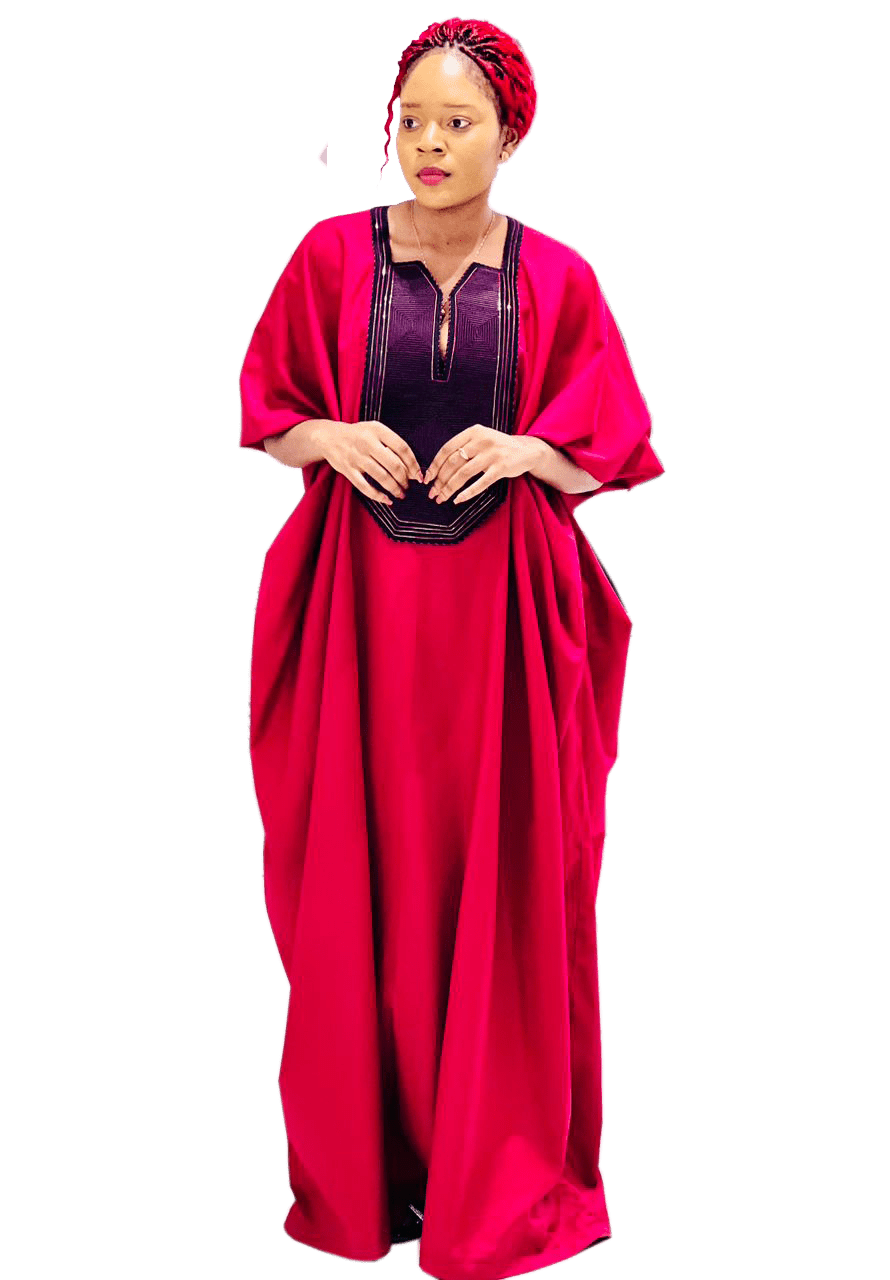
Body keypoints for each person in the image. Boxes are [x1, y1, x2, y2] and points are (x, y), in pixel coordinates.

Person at [237, 15, 666, 1280]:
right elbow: (266, 410)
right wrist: (325, 436)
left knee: (505, 882)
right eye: (411, 120)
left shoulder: (559, 276)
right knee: (357, 878)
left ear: (508, 136)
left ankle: (496, 1175)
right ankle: (368, 1177)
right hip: (359, 623)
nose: (429, 143)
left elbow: (611, 445)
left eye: (457, 122)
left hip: (500, 633)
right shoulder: (327, 256)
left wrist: (530, 449)